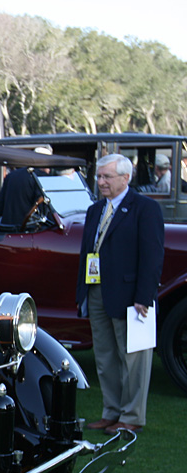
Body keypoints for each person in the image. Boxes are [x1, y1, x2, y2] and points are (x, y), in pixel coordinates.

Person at [75, 154, 164, 435]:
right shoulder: (95, 210)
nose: (100, 182)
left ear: (125, 178)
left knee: (135, 358)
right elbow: (86, 255)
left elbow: (152, 255)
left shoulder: (145, 208)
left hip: (131, 297)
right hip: (98, 291)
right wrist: (82, 293)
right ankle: (111, 412)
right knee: (105, 357)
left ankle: (132, 416)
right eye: (98, 177)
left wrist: (144, 295)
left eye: (107, 177)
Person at [0, 146, 52, 230]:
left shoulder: (11, 175)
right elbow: (43, 208)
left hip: (6, 229)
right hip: (28, 230)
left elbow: (0, 204)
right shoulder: (41, 177)